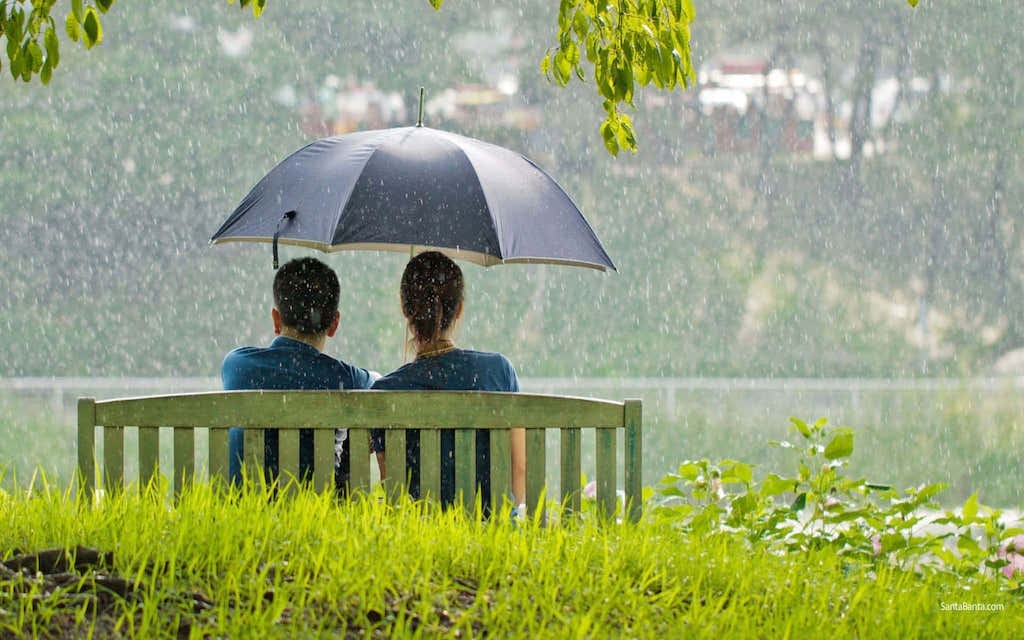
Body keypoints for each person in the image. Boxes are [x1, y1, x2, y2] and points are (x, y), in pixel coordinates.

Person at [371, 251, 526, 514]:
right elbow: (519, 477)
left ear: (406, 310)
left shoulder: (385, 392)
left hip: (425, 539)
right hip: (498, 535)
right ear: (460, 310)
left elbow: (395, 494)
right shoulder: (498, 371)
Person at [222, 256, 375, 492]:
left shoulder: (236, 365)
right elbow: (379, 384)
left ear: (276, 319)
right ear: (334, 324)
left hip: (243, 516)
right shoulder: (348, 379)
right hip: (319, 518)